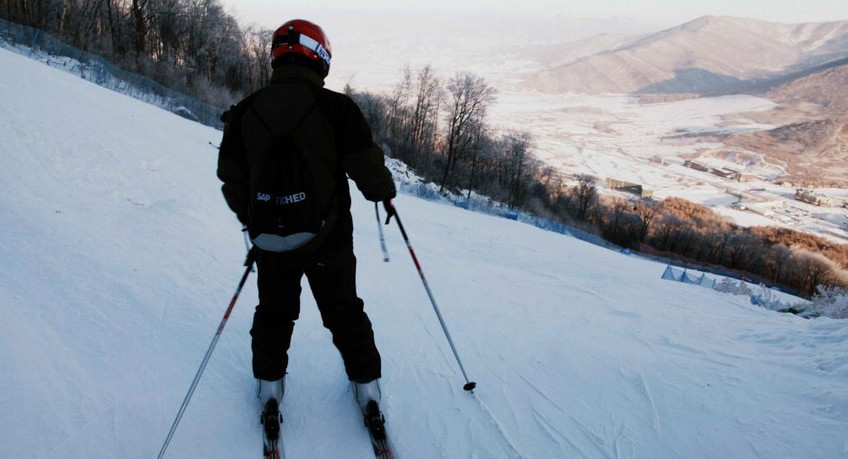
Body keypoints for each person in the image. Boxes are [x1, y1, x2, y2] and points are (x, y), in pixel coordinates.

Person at [216, 19, 395, 429]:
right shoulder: (338, 109)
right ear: (320, 56)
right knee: (344, 311)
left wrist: (254, 221)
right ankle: (367, 387)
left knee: (274, 313)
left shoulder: (244, 111)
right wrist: (384, 192)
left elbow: (231, 179)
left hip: (270, 239)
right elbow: (366, 168)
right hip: (327, 239)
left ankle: (269, 387)